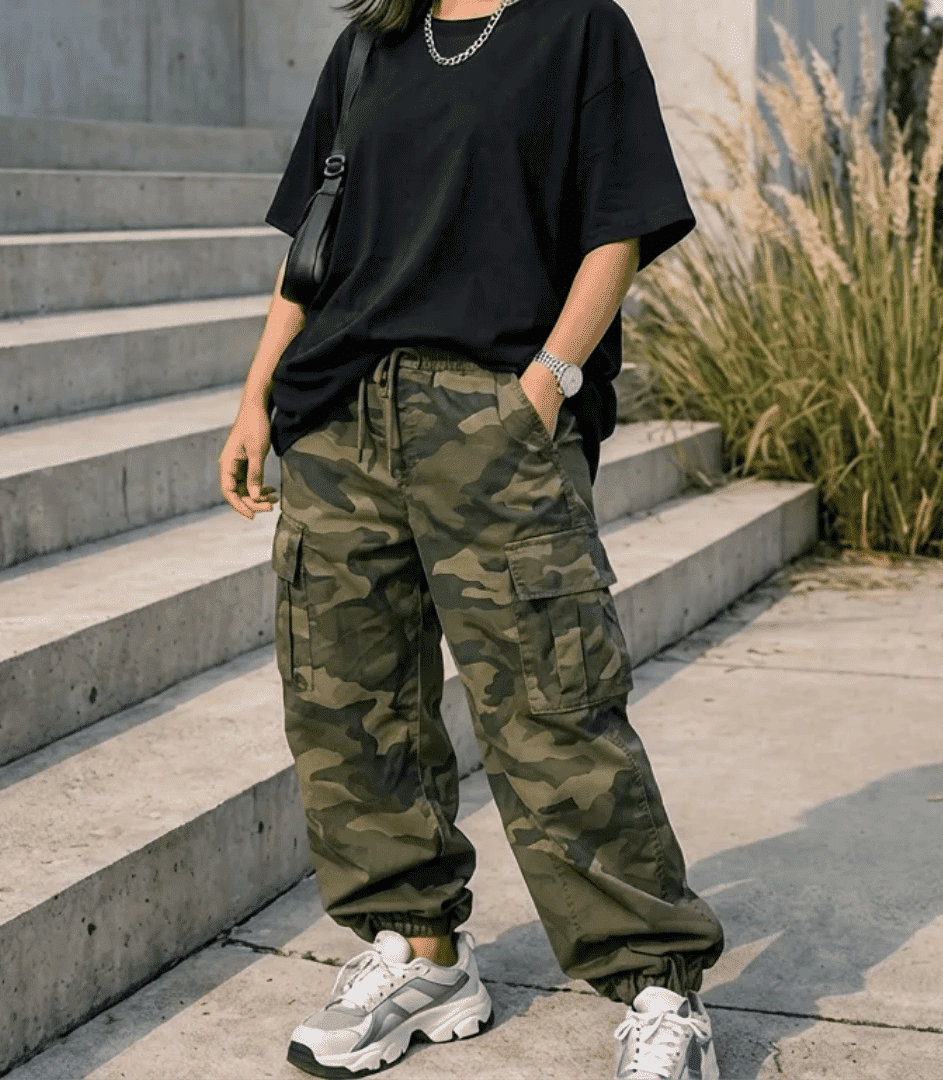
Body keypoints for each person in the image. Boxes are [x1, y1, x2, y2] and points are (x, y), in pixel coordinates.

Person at [217, 1, 724, 1076]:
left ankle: (656, 985)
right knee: (350, 709)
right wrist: (259, 395)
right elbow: (312, 248)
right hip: (341, 416)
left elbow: (614, 229)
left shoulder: (577, 26)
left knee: (554, 709)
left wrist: (546, 386)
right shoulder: (369, 47)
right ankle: (421, 955)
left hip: (491, 410)